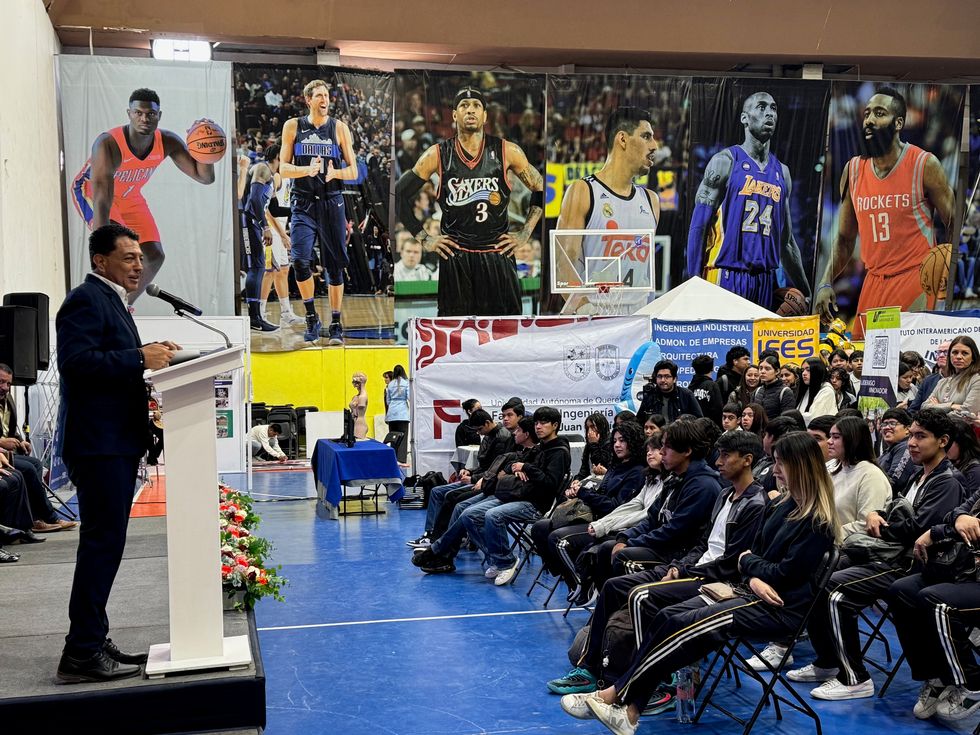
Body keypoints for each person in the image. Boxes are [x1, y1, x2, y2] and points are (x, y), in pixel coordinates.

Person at [559, 432, 838, 733]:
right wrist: (754, 574)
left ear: (801, 466)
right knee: (668, 617)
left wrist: (751, 568)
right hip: (750, 592)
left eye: (781, 463)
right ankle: (627, 707)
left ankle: (619, 699)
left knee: (682, 625)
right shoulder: (780, 505)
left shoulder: (816, 521)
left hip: (777, 608)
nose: (775, 470)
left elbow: (778, 572)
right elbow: (750, 557)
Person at [548, 431, 765, 701]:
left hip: (714, 579)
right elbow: (702, 543)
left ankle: (646, 681)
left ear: (747, 460)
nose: (719, 461)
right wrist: (674, 563)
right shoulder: (722, 494)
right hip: (689, 565)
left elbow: (730, 562)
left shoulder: (740, 499)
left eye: (726, 456)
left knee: (640, 593)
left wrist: (683, 569)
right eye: (718, 454)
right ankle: (591, 668)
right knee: (614, 586)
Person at [56, 223, 179, 682]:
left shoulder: (112, 301)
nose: (138, 265)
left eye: (141, 258)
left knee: (106, 546)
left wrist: (147, 353)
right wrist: (139, 358)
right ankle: (80, 652)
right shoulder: (85, 300)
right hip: (98, 445)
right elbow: (76, 364)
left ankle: (93, 636)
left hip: (113, 442)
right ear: (100, 260)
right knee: (101, 546)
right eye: (128, 257)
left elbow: (108, 359)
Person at [790, 408, 964, 700]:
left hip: (907, 564)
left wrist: (879, 523)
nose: (912, 443)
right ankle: (827, 661)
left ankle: (855, 678)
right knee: (816, 570)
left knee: (835, 589)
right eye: (911, 436)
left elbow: (915, 529)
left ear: (943, 441)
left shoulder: (947, 481)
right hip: (886, 553)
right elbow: (895, 511)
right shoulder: (919, 475)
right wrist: (878, 515)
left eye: (921, 437)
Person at [815, 87, 954, 338]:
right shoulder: (853, 170)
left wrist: (948, 271)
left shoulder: (924, 164)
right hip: (873, 280)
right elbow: (844, 239)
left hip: (915, 278)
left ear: (898, 123)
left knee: (907, 356)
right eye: (867, 113)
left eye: (879, 113)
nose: (869, 119)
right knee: (862, 356)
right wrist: (825, 282)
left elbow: (955, 220)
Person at [395, 87, 544, 317]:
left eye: (476, 106)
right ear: (454, 115)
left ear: (485, 115)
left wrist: (525, 233)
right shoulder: (437, 154)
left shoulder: (508, 151)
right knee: (457, 330)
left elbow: (539, 185)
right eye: (464, 106)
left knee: (504, 329)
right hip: (456, 257)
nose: (470, 110)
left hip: (497, 254)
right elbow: (399, 194)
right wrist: (424, 238)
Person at [70, 89, 218, 301]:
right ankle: (102, 300)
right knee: (116, 246)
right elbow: (102, 199)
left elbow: (204, 177)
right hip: (93, 192)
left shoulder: (167, 141)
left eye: (151, 114)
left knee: (154, 256)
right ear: (129, 114)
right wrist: (101, 252)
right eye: (138, 113)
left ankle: (123, 304)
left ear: (159, 115)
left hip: (129, 197)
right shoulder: (108, 144)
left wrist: (205, 146)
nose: (144, 118)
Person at [686, 91, 810, 310]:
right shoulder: (725, 162)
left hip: (765, 281)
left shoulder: (782, 173)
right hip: (726, 275)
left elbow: (787, 242)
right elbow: (699, 226)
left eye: (773, 108)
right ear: (744, 118)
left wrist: (806, 292)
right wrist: (693, 281)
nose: (769, 113)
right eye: (761, 107)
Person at [553, 107, 661, 315]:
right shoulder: (583, 191)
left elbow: (646, 273)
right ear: (622, 139)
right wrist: (586, 309)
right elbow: (563, 267)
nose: (654, 145)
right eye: (646, 136)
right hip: (595, 317)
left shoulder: (651, 201)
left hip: (638, 320)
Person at [279, 79, 361, 344]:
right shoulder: (293, 126)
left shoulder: (339, 128)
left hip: (331, 201)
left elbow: (354, 171)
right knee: (300, 261)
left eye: (327, 95)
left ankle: (336, 322)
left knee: (334, 267)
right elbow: (283, 168)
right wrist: (307, 170)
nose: (325, 99)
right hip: (303, 202)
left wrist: (335, 173)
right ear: (308, 100)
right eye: (319, 96)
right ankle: (312, 317)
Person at [531, 421, 646, 593]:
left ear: (633, 442)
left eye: (622, 440)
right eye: (615, 441)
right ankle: (571, 576)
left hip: (609, 524)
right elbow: (602, 493)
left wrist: (584, 493)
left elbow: (615, 507)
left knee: (557, 540)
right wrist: (578, 492)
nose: (617, 445)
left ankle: (582, 585)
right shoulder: (616, 466)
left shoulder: (637, 472)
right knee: (540, 528)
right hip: (592, 515)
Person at [0, 364, 76, 531]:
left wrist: (20, 440)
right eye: (1, 382)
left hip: (8, 453)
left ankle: (36, 518)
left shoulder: (8, 399)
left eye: (8, 383)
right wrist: (1, 442)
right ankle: (50, 518)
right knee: (27, 469)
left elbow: (10, 430)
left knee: (35, 463)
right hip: (1, 454)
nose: (5, 387)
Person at [924, 335, 980, 415]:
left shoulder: (976, 380)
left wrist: (937, 406)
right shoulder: (942, 382)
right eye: (955, 352)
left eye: (965, 353)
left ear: (973, 357)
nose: (959, 357)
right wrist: (951, 406)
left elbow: (968, 413)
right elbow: (924, 407)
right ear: (949, 356)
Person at [636, 359, 703, 425]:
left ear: (674, 379)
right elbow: (639, 421)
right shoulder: (650, 395)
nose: (663, 380)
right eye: (659, 376)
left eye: (667, 376)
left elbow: (699, 421)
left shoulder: (686, 395)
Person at [877, 408, 916, 498]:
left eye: (892, 423)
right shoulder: (890, 450)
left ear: (907, 429)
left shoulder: (905, 447)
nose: (887, 427)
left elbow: (895, 481)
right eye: (884, 424)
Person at [909, 340, 951, 412]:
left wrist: (939, 407)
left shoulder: (964, 381)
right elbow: (913, 410)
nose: (941, 355)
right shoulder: (928, 381)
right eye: (939, 352)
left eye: (946, 352)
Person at [797, 357, 838, 425]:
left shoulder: (826, 391)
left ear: (817, 371)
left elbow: (814, 418)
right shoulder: (807, 389)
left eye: (808, 370)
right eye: (802, 370)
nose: (804, 373)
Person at [753, 355, 795, 419]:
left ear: (777, 371)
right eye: (760, 368)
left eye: (767, 369)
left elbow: (787, 419)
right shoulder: (757, 391)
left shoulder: (785, 392)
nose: (762, 371)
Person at [576, 412, 613, 480]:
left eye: (593, 427)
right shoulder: (589, 444)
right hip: (591, 479)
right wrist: (577, 479)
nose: (589, 431)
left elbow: (600, 465)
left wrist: (594, 444)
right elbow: (584, 469)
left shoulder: (611, 443)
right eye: (588, 428)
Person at [688, 354, 724, 426]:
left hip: (693, 428)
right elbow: (718, 410)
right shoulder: (712, 385)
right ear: (712, 368)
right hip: (709, 428)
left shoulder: (690, 387)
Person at [384, 365, 410, 463]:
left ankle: (394, 458)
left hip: (392, 413)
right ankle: (402, 459)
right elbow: (409, 397)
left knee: (393, 437)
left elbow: (388, 401)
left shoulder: (390, 385)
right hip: (403, 414)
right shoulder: (406, 383)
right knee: (403, 437)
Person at [349, 372, 369, 439]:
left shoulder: (362, 397)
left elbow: (360, 409)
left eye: (356, 382)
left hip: (359, 424)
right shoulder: (356, 397)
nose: (354, 384)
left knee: (358, 442)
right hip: (353, 422)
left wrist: (362, 384)